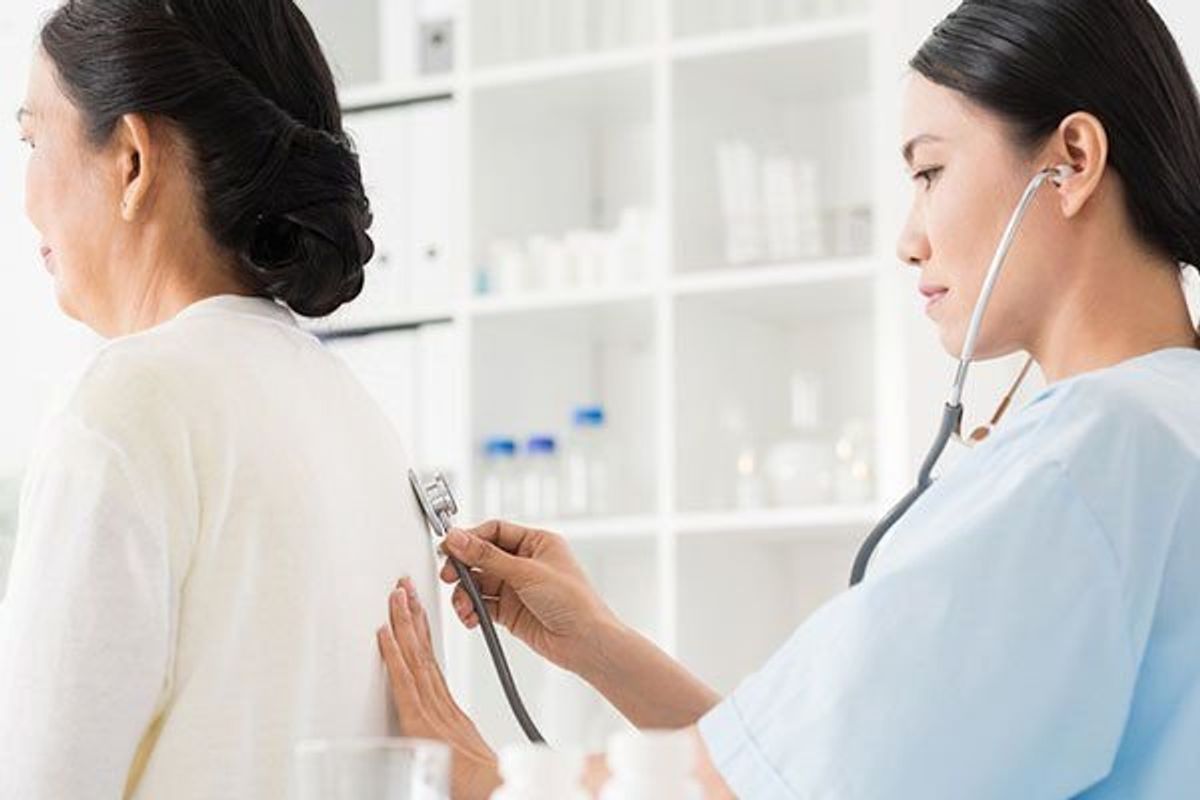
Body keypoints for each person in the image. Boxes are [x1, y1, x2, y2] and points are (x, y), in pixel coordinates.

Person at [376, 0, 1200, 797]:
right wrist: (601, 646)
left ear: (1075, 161)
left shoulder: (1083, 458)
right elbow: (821, 774)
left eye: (930, 171)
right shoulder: (1165, 423)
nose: (909, 241)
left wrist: (483, 780)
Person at [0, 1, 439, 797]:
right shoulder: (360, 417)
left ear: (131, 160)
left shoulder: (125, 409)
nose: (26, 198)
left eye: (33, 141)